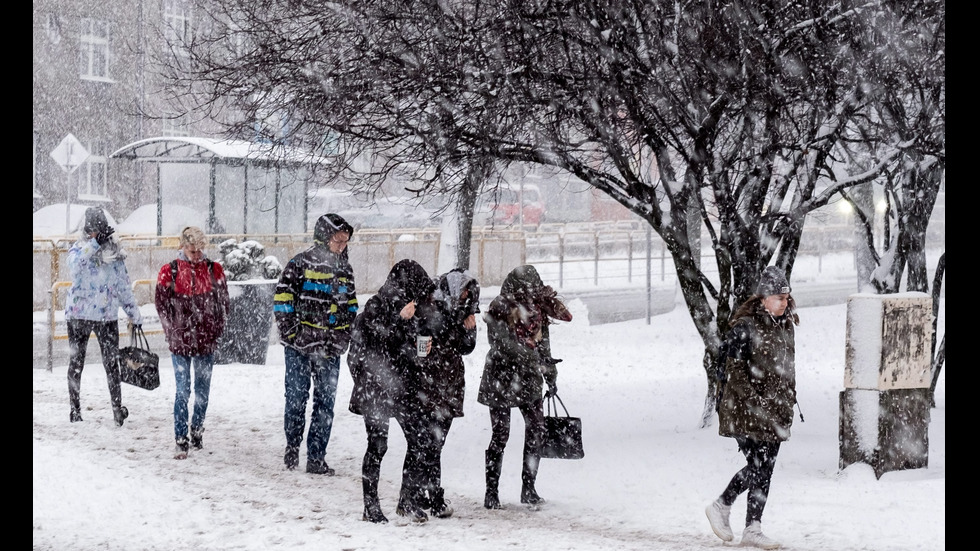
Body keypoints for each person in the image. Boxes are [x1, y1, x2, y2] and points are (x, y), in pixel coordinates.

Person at [705, 266, 799, 550]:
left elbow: (786, 369)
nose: (784, 302)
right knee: (760, 465)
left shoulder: (785, 326)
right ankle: (723, 505)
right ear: (763, 298)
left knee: (764, 467)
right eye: (778, 297)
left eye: (786, 297)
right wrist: (758, 404)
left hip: (775, 409)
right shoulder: (746, 327)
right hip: (743, 409)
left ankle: (752, 527)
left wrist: (788, 399)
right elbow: (734, 373)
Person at [347, 259, 436, 524]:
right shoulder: (376, 307)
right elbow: (376, 343)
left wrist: (422, 351)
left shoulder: (413, 309)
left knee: (420, 440)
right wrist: (400, 320)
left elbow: (408, 350)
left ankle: (406, 502)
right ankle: (370, 506)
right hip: (376, 388)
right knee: (378, 445)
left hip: (403, 388)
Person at [478, 264, 572, 509]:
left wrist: (550, 373)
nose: (530, 295)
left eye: (534, 289)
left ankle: (528, 488)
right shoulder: (499, 308)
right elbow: (500, 344)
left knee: (536, 430)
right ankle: (491, 492)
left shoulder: (537, 310)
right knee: (500, 435)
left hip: (528, 379)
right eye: (526, 290)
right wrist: (530, 355)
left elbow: (544, 345)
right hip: (500, 378)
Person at [273, 213, 357, 475]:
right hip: (299, 349)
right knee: (296, 399)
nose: (341, 246)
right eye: (337, 240)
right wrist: (292, 334)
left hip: (330, 350)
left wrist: (342, 338)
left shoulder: (345, 271)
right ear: (323, 237)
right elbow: (283, 300)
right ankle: (292, 446)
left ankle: (316, 458)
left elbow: (351, 308)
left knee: (326, 404)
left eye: (345, 241)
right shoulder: (299, 264)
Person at [154, 227, 230, 460]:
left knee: (202, 392)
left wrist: (216, 329)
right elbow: (161, 303)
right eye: (191, 250)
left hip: (205, 340)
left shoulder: (214, 270)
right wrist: (172, 330)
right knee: (183, 390)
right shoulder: (170, 271)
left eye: (199, 250)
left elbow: (224, 302)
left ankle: (196, 429)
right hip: (180, 341)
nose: (196, 255)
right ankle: (181, 437)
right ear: (182, 247)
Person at [65, 207, 144, 426]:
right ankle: (75, 410)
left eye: (99, 231)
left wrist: (134, 315)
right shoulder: (79, 248)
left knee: (111, 364)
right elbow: (74, 268)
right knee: (76, 363)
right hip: (79, 316)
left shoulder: (114, 254)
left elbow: (123, 287)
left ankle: (117, 409)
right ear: (86, 230)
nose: (95, 235)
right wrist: (94, 244)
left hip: (106, 316)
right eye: (92, 231)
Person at [412, 268, 480, 519]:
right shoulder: (432, 305)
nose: (465, 297)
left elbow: (465, 349)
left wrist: (469, 330)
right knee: (430, 442)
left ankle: (426, 492)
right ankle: (433, 495)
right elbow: (422, 343)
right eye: (463, 292)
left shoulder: (462, 310)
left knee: (435, 443)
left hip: (450, 382)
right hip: (429, 383)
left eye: (468, 294)